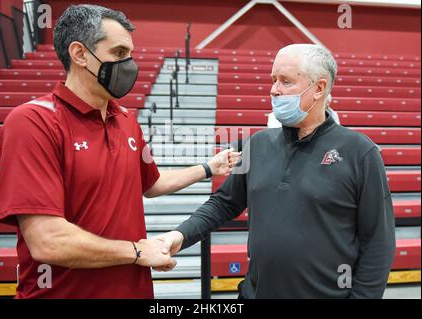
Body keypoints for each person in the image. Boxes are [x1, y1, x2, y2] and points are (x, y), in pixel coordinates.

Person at [0, 4, 240, 299]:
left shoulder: (126, 119)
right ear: (80, 54)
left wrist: (207, 168)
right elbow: (48, 241)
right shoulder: (33, 121)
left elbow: (151, 184)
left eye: (130, 54)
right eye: (119, 53)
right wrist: (137, 251)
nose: (130, 64)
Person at [156, 44, 396, 299]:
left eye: (286, 81)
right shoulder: (256, 145)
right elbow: (223, 205)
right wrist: (179, 235)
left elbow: (378, 243)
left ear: (319, 88)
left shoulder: (360, 152)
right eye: (273, 80)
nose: (274, 89)